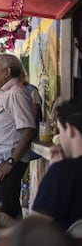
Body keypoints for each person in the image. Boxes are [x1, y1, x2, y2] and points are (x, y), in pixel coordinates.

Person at [0, 54, 36, 219]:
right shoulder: (4, 93)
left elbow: (29, 129)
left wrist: (10, 163)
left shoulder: (16, 92)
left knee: (4, 217)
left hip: (7, 163)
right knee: (4, 215)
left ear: (7, 72)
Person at [31, 96, 82, 231]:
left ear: (70, 129)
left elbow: (32, 231)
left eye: (60, 131)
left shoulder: (61, 173)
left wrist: (53, 171)